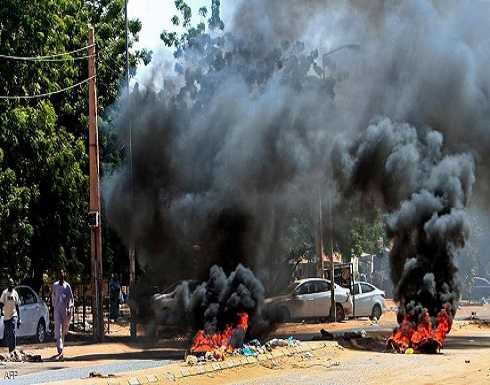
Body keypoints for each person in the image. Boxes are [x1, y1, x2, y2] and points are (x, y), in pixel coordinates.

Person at [51, 269, 74, 358]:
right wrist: (53, 308)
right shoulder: (55, 285)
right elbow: (53, 296)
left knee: (64, 328)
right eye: (59, 274)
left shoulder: (67, 286)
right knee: (58, 327)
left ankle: (62, 344)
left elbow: (70, 298)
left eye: (62, 274)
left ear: (64, 275)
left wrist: (69, 307)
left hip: (65, 309)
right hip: (57, 308)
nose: (61, 275)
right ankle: (59, 346)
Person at [0, 278, 21, 353]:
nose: (11, 286)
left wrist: (19, 318)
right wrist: (1, 311)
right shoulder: (5, 293)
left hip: (13, 315)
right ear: (8, 285)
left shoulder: (15, 293)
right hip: (6, 317)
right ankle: (10, 350)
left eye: (12, 284)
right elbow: (1, 303)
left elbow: (17, 306)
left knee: (12, 332)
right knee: (8, 334)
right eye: (10, 284)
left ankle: (13, 350)